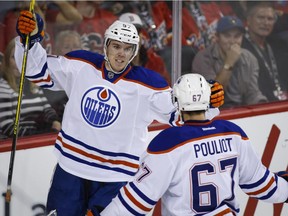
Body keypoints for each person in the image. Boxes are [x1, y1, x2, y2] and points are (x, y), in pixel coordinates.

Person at [14, 10, 224, 215]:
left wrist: (207, 101)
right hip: (71, 169)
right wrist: (29, 41)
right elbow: (36, 71)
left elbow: (184, 115)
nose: (121, 54)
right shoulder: (81, 65)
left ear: (134, 51)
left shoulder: (149, 85)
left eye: (127, 48)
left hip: (116, 178)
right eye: (116, 46)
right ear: (106, 46)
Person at [101, 73, 288, 216]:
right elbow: (262, 185)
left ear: (176, 101)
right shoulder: (233, 133)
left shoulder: (168, 142)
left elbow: (136, 201)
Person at [192, 16, 267, 108]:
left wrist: (266, 110)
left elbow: (253, 94)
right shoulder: (203, 58)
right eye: (227, 36)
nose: (232, 42)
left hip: (242, 111)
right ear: (217, 37)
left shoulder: (250, 58)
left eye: (237, 36)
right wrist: (229, 63)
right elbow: (213, 97)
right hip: (214, 114)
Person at [0, 39, 61, 138]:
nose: (19, 63)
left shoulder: (34, 84)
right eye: (13, 58)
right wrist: (40, 134)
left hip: (40, 139)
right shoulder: (2, 88)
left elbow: (47, 110)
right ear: (6, 61)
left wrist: (55, 121)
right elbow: (8, 128)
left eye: (22, 57)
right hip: (19, 146)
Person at [242, 2, 288, 102]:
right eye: (261, 17)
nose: (266, 23)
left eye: (270, 19)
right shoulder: (241, 47)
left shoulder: (278, 46)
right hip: (259, 106)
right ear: (249, 20)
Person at [118, 12, 171, 85]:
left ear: (141, 35)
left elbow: (166, 89)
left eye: (136, 32)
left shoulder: (155, 62)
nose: (133, 37)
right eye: (128, 33)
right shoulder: (113, 65)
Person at [43, 30, 82, 121]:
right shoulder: (48, 79)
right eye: (67, 47)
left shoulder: (89, 76)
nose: (72, 51)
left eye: (76, 47)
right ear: (56, 51)